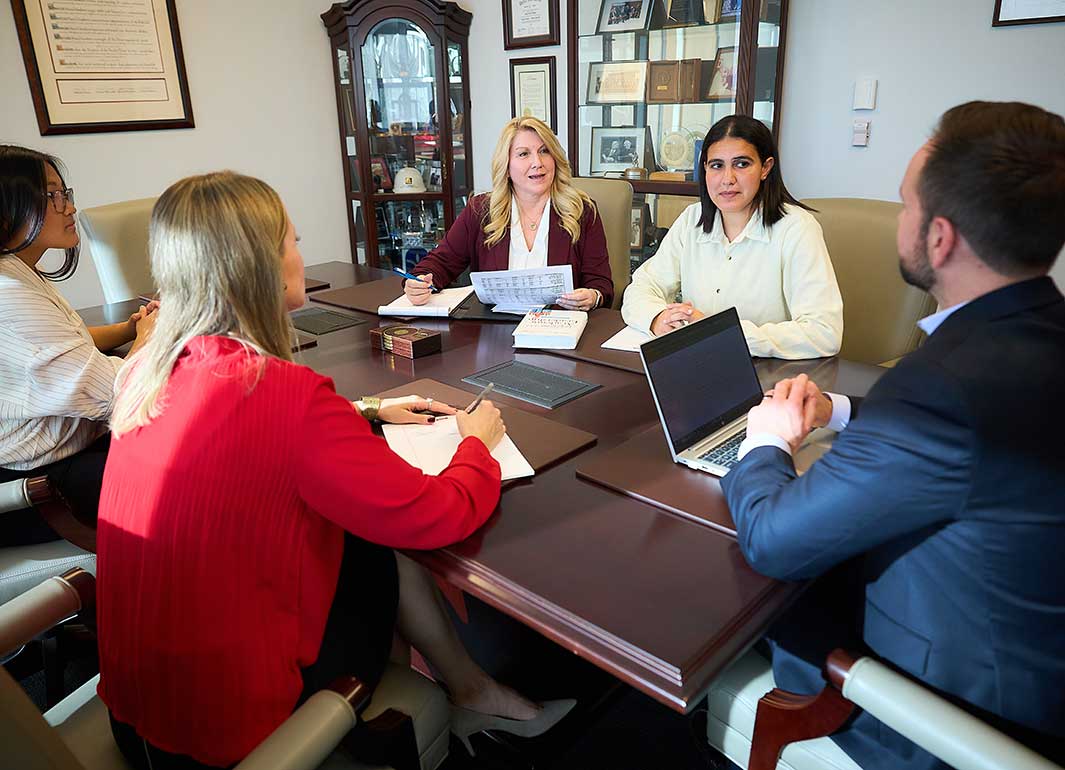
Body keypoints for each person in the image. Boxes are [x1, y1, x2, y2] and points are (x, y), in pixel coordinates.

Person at [95, 172, 574, 769]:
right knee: (380, 541)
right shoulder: (286, 397)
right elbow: (439, 515)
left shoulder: (142, 371)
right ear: (262, 267)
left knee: (357, 535)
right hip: (220, 732)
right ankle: (456, 702)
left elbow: (235, 433)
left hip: (135, 707)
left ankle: (466, 693)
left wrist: (367, 410)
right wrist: (475, 444)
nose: (301, 249)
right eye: (291, 240)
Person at [719, 102, 1065, 769]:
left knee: (718, 605)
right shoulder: (1033, 330)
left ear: (938, 238)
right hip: (1029, 657)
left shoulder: (940, 391)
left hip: (948, 714)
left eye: (903, 205)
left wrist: (765, 437)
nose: (895, 221)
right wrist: (840, 411)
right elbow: (960, 438)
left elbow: (770, 539)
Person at [0, 145, 156, 545]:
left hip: (70, 451)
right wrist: (148, 336)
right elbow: (120, 393)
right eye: (51, 196)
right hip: (39, 487)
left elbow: (67, 342)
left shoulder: (18, 274)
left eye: (64, 193)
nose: (68, 207)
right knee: (208, 477)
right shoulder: (9, 295)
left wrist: (126, 329)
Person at [621, 115, 843, 359]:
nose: (728, 179)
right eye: (716, 165)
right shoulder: (692, 219)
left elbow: (824, 332)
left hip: (768, 373)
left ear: (765, 168)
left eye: (741, 164)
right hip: (698, 363)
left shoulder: (797, 228)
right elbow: (642, 286)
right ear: (704, 168)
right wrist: (658, 318)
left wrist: (720, 332)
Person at [404, 116, 613, 311]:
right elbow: (440, 263)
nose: (537, 163)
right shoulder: (480, 211)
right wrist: (419, 282)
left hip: (561, 332)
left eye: (544, 151)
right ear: (506, 164)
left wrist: (592, 296)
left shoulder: (582, 211)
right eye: (523, 154)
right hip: (495, 333)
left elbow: (600, 283)